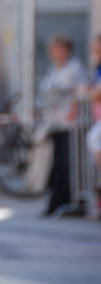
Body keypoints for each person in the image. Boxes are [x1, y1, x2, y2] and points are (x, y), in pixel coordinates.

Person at [38, 32, 86, 217]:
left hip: (70, 125)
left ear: (67, 50)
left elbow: (80, 92)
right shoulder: (53, 69)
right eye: (53, 49)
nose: (55, 52)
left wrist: (73, 109)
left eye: (59, 48)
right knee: (55, 164)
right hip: (54, 123)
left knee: (67, 164)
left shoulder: (75, 68)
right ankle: (55, 202)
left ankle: (68, 201)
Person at [85, 33, 101, 216]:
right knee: (93, 141)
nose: (95, 52)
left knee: (93, 139)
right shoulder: (97, 67)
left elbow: (97, 93)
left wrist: (89, 92)